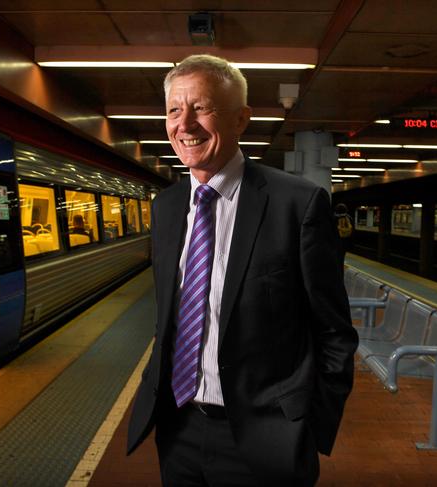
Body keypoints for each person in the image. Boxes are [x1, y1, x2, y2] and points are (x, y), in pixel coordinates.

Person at [127, 54, 358, 486]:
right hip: (178, 428)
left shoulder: (298, 204)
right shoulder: (167, 208)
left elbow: (334, 333)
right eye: (175, 110)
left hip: (267, 437)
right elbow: (169, 319)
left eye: (203, 108)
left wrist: (310, 428)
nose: (186, 124)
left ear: (241, 119)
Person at [334, 203, 353, 269]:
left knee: (335, 259)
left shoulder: (334, 218)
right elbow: (353, 230)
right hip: (345, 242)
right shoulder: (349, 218)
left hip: (335, 242)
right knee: (341, 258)